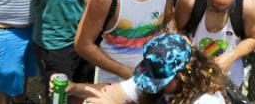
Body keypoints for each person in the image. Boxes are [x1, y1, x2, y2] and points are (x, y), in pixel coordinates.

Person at [60, 33, 227, 103]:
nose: (153, 87)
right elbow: (112, 92)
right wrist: (73, 88)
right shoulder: (157, 79)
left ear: (184, 74)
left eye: (160, 81)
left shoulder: (207, 100)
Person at [175, 0, 255, 87]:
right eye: (214, 7)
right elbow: (176, 30)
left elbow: (253, 38)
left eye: (227, 8)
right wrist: (193, 53)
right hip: (194, 71)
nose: (220, 11)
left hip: (230, 73)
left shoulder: (248, 5)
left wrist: (232, 56)